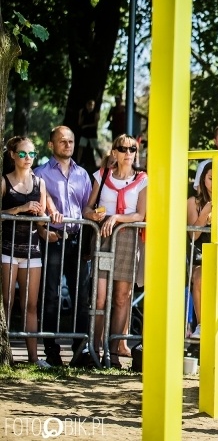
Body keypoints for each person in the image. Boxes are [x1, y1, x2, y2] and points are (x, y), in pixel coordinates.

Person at [83, 134, 147, 367]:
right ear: (114, 152)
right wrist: (94, 215)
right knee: (100, 297)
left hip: (127, 237)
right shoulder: (102, 175)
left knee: (122, 297)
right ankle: (95, 350)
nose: (128, 152)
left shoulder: (142, 179)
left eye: (132, 148)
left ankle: (114, 352)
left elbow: (140, 214)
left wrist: (116, 217)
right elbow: (87, 207)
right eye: (123, 148)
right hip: (104, 237)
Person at [34, 126, 93, 367]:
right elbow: (37, 209)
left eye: (70, 141)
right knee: (50, 296)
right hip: (53, 240)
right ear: (51, 145)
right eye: (62, 141)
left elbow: (87, 209)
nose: (67, 145)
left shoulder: (83, 175)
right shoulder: (40, 173)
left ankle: (80, 353)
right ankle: (51, 352)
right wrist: (43, 227)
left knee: (81, 296)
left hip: (77, 240)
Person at [1, 136, 49, 368]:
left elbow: (41, 220)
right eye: (22, 154)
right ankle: (5, 354)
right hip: (7, 249)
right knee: (6, 303)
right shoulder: (4, 182)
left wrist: (47, 225)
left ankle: (33, 358)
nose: (27, 158)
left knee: (30, 306)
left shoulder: (40, 183)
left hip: (32, 250)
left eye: (31, 154)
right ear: (12, 155)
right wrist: (21, 208)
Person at [186, 161, 218, 339]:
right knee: (199, 278)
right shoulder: (193, 202)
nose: (215, 182)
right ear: (203, 179)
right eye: (211, 178)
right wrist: (204, 214)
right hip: (201, 254)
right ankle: (201, 325)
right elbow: (193, 236)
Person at [76, 99, 103, 167]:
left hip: (92, 133)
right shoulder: (84, 113)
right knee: (81, 147)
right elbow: (79, 123)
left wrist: (86, 126)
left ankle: (105, 160)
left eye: (92, 105)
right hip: (84, 133)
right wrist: (80, 114)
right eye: (89, 104)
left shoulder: (96, 114)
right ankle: (78, 162)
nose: (90, 106)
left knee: (96, 148)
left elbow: (95, 124)